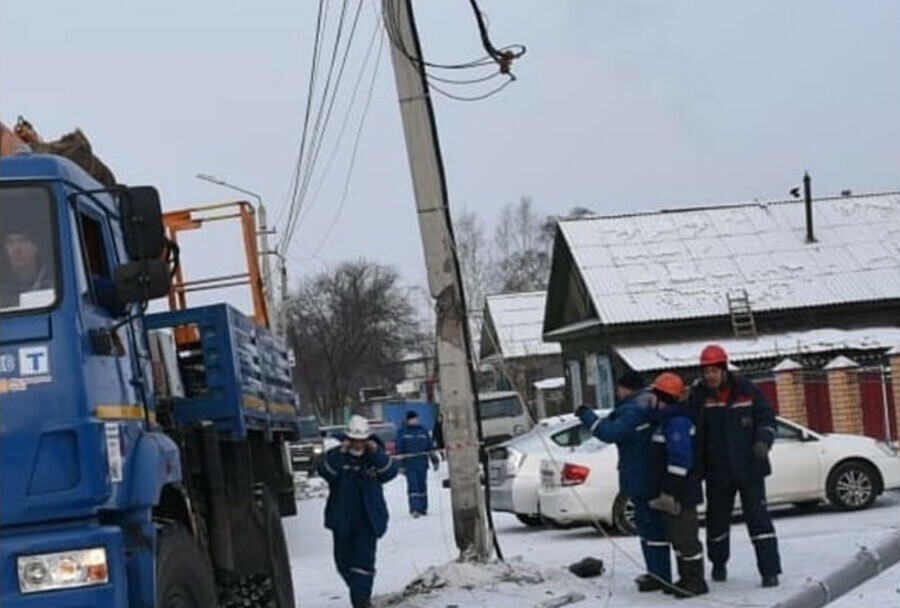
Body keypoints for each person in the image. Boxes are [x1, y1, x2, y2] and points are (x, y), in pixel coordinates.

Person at [688, 344, 781, 588]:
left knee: (759, 520)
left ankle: (769, 571)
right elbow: (690, 427)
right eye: (706, 372)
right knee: (717, 522)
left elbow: (767, 418)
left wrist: (763, 441)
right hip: (717, 472)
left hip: (750, 469)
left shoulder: (747, 391)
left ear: (724, 369)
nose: (710, 376)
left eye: (714, 371)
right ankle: (719, 563)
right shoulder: (699, 397)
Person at [575, 371, 671, 593]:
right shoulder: (644, 406)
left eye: (619, 387)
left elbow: (609, 432)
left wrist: (587, 415)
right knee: (647, 525)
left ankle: (660, 576)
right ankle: (656, 572)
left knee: (650, 526)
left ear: (627, 388)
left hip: (641, 474)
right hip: (646, 473)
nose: (616, 392)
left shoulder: (634, 410)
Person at [318, 415, 399, 608]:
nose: (358, 445)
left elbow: (390, 472)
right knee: (344, 564)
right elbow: (326, 472)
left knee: (362, 564)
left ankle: (361, 601)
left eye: (361, 441)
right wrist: (340, 453)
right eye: (354, 440)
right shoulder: (337, 456)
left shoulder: (374, 457)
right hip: (342, 520)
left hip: (368, 520)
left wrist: (377, 453)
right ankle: (358, 590)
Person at [646, 372, 708, 598]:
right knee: (678, 537)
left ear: (662, 397)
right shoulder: (667, 420)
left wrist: (670, 491)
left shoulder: (677, 422)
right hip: (675, 491)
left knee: (686, 537)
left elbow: (680, 459)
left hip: (681, 492)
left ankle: (695, 580)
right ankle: (686, 578)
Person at [395, 410, 439, 517]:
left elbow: (429, 447)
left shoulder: (422, 431)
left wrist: (434, 460)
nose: (414, 421)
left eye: (415, 419)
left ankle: (423, 508)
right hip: (409, 465)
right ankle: (415, 508)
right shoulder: (403, 432)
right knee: (413, 486)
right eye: (412, 419)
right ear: (408, 420)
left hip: (422, 463)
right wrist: (400, 465)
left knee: (422, 486)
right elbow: (399, 449)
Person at [1, 219, 53, 307]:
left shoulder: (55, 281)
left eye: (23, 241)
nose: (16, 249)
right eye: (10, 242)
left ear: (36, 246)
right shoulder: (2, 284)